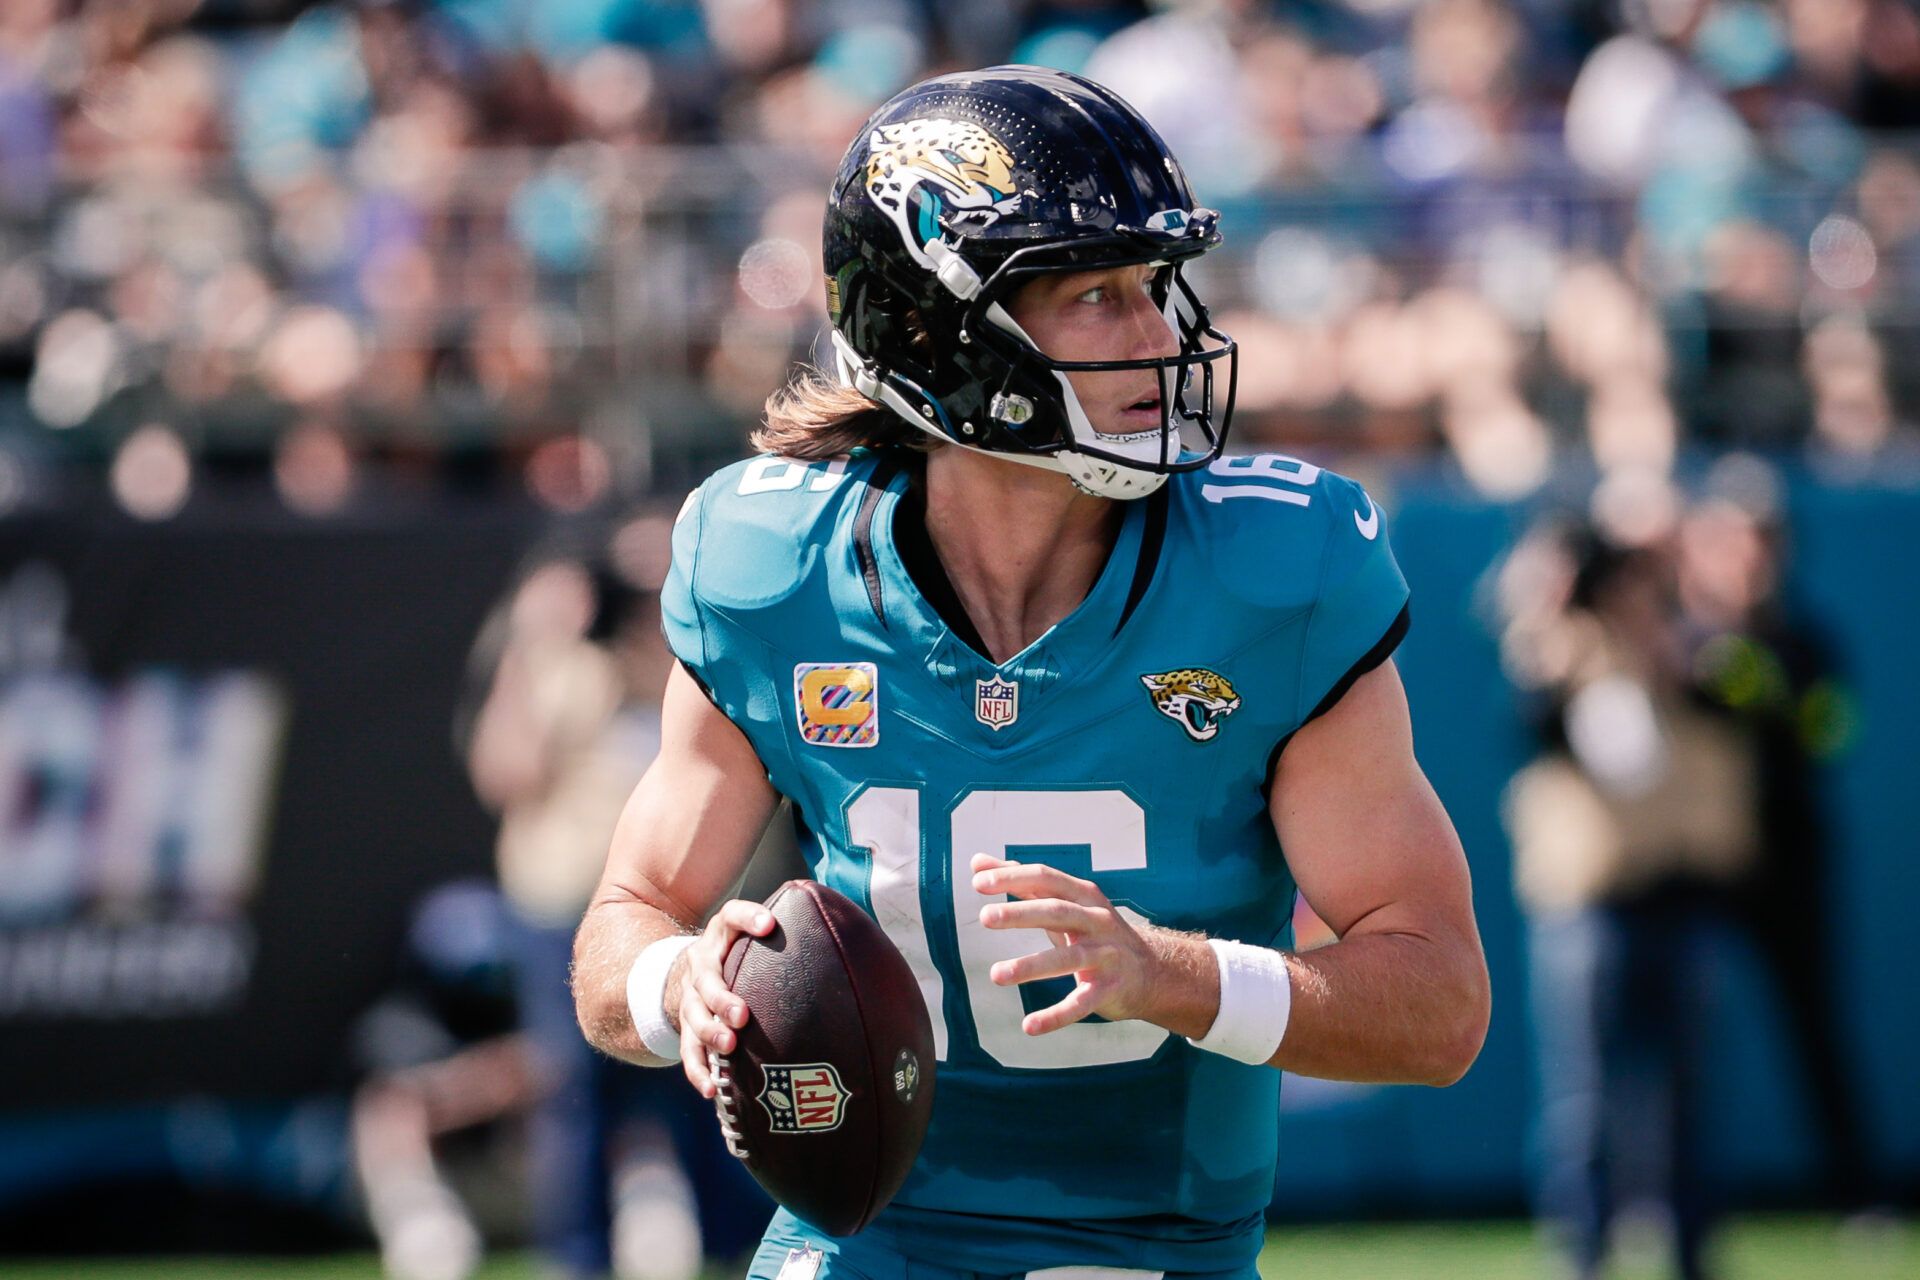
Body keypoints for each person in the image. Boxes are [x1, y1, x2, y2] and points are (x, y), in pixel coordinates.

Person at [573, 66, 1490, 1280]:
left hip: (1153, 1249)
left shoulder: (1275, 572)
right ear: (944, 334)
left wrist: (1175, 973)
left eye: (1157, 285)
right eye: (1100, 296)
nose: (1164, 333)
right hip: (860, 1240)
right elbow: (614, 933)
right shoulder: (771, 566)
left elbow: (1438, 1003)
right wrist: (679, 978)